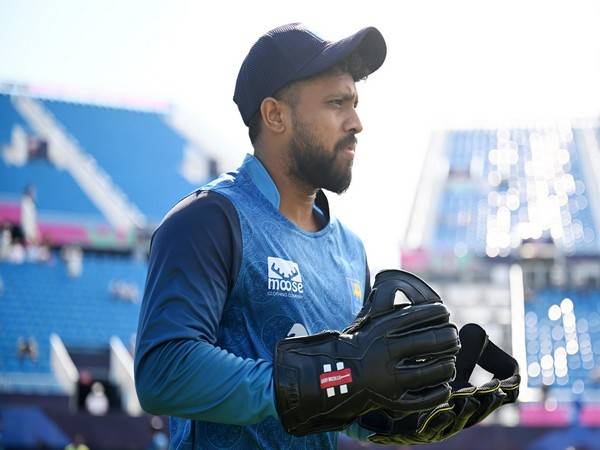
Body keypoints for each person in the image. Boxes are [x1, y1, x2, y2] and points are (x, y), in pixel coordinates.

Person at [134, 23, 457, 449]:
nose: (356, 122)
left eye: (355, 103)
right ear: (275, 115)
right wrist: (315, 381)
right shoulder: (209, 219)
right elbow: (163, 372)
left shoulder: (350, 250)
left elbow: (340, 396)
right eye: (336, 103)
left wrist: (402, 415)